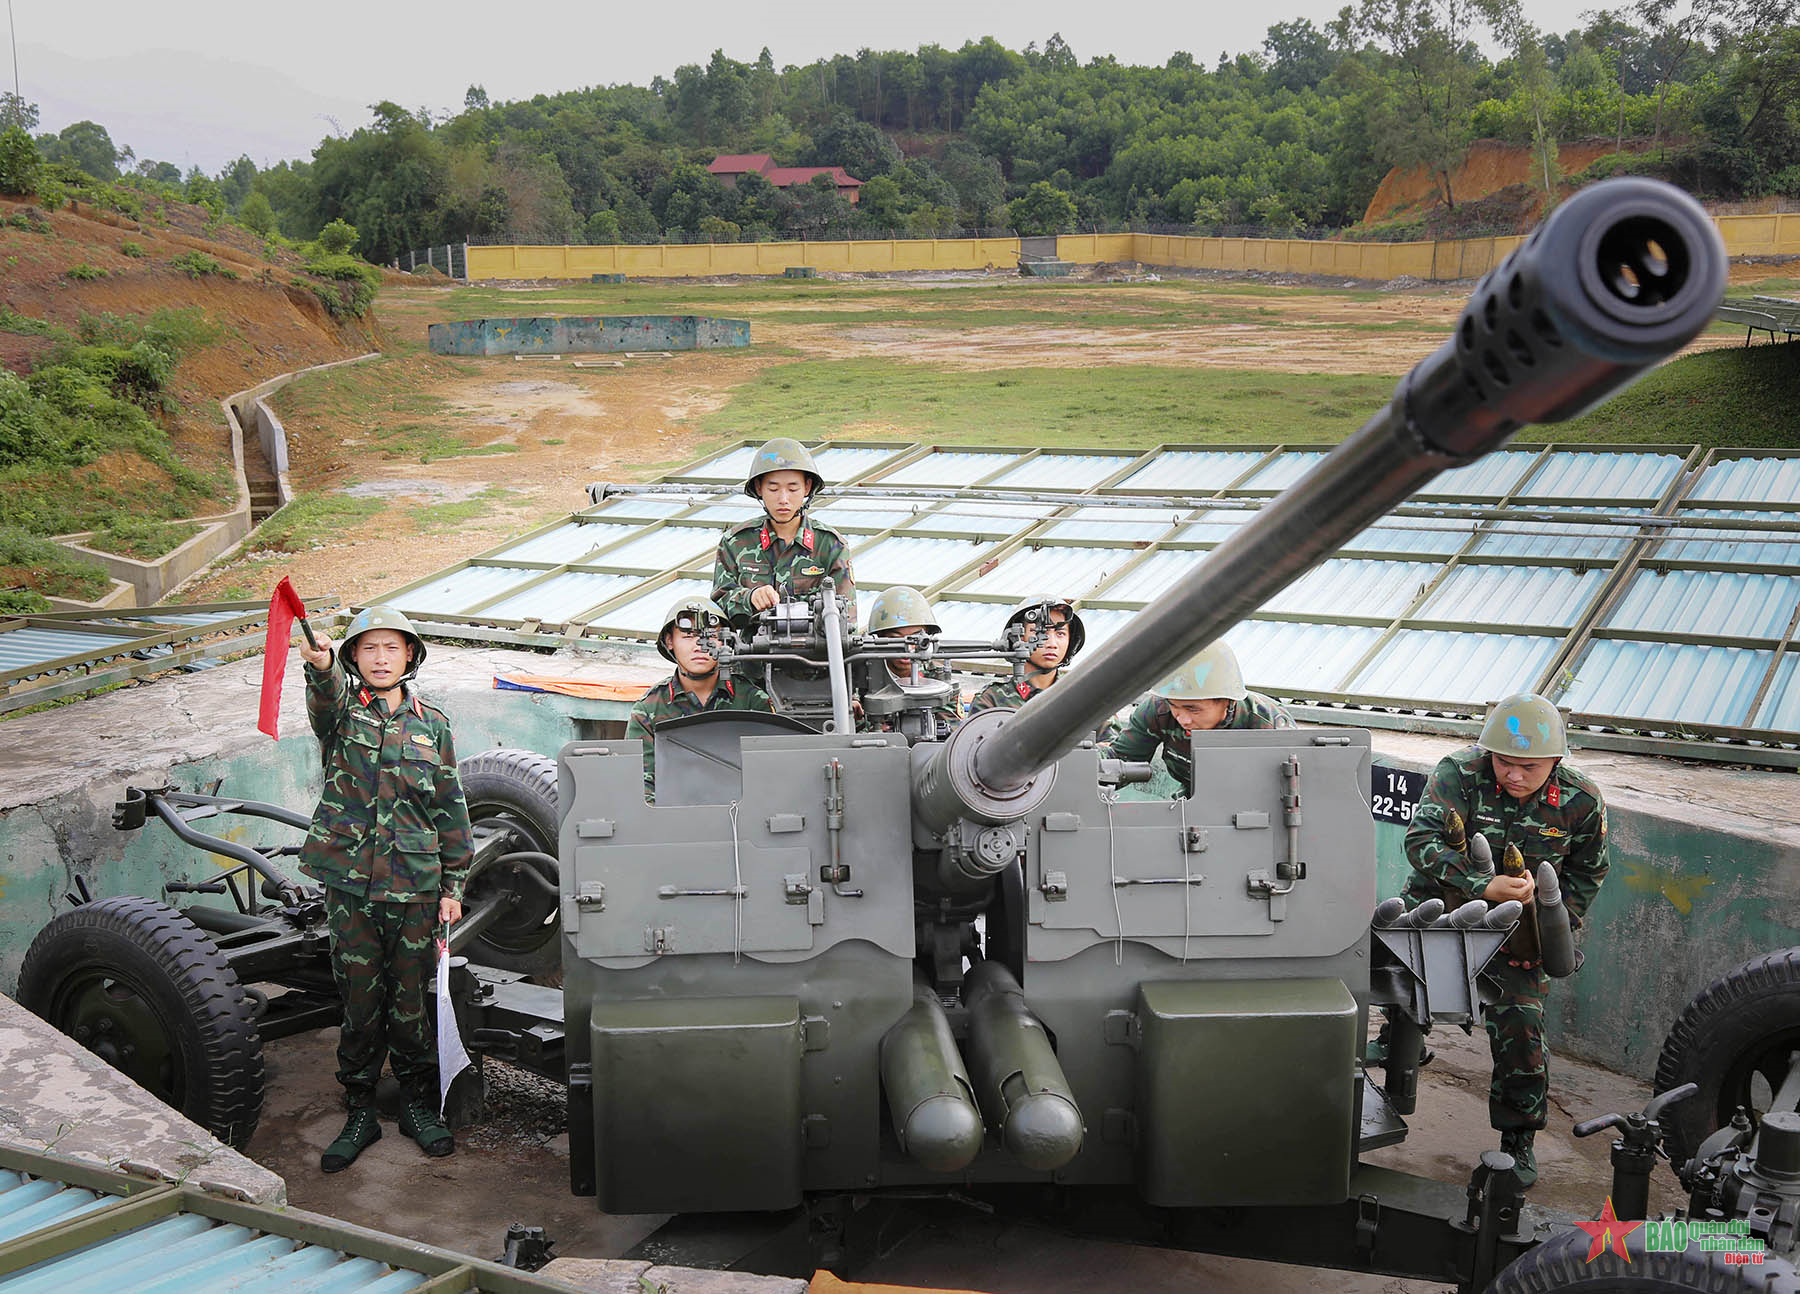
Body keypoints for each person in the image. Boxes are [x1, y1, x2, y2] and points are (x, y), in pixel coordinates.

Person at [1403, 693, 1610, 1188]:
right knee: (1403, 988)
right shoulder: (1460, 773)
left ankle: (1518, 1143)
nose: (1513, 775)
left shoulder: (1581, 801)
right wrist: (1482, 886)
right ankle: (1398, 1046)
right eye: (1504, 762)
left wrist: (1554, 925)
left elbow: (1588, 870)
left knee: (1522, 1031)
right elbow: (1421, 841)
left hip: (1520, 934)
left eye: (1529, 767)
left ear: (1556, 762)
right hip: (1443, 912)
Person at [296, 605, 472, 1173]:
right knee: (360, 1003)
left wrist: (454, 883)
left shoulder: (433, 724)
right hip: (351, 887)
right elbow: (324, 695)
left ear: (409, 655)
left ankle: (418, 1106)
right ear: (353, 656)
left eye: (390, 648)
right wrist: (320, 666)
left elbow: (450, 807)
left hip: (417, 888)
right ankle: (360, 1109)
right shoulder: (343, 713)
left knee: (411, 1003)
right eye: (367, 649)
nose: (379, 658)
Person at [625, 595, 776, 798]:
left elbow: (770, 777)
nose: (699, 646)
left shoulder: (752, 701)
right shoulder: (649, 710)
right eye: (688, 636)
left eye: (710, 636)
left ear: (723, 641)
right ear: (669, 641)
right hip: (673, 821)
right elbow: (641, 788)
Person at [1105, 640, 1293, 797]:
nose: (1183, 719)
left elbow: (1296, 789)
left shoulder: (1267, 725)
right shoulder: (1158, 710)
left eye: (1193, 709)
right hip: (1194, 803)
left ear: (1227, 702)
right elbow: (1121, 758)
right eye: (1174, 706)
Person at [712, 438, 855, 628]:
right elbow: (717, 609)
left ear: (807, 487)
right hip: (752, 654)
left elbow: (847, 621)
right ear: (758, 488)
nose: (783, 499)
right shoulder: (735, 542)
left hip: (815, 656)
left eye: (793, 488)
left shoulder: (831, 545)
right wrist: (750, 598)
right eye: (773, 488)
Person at [859, 585, 962, 735]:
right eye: (895, 639)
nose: (908, 649)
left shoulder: (938, 677)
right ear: (878, 638)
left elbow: (951, 730)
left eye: (917, 639)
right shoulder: (861, 675)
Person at [968, 595, 1086, 714]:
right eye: (1040, 632)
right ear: (1018, 638)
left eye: (1060, 633)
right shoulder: (992, 700)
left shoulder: (1080, 697)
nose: (1052, 643)